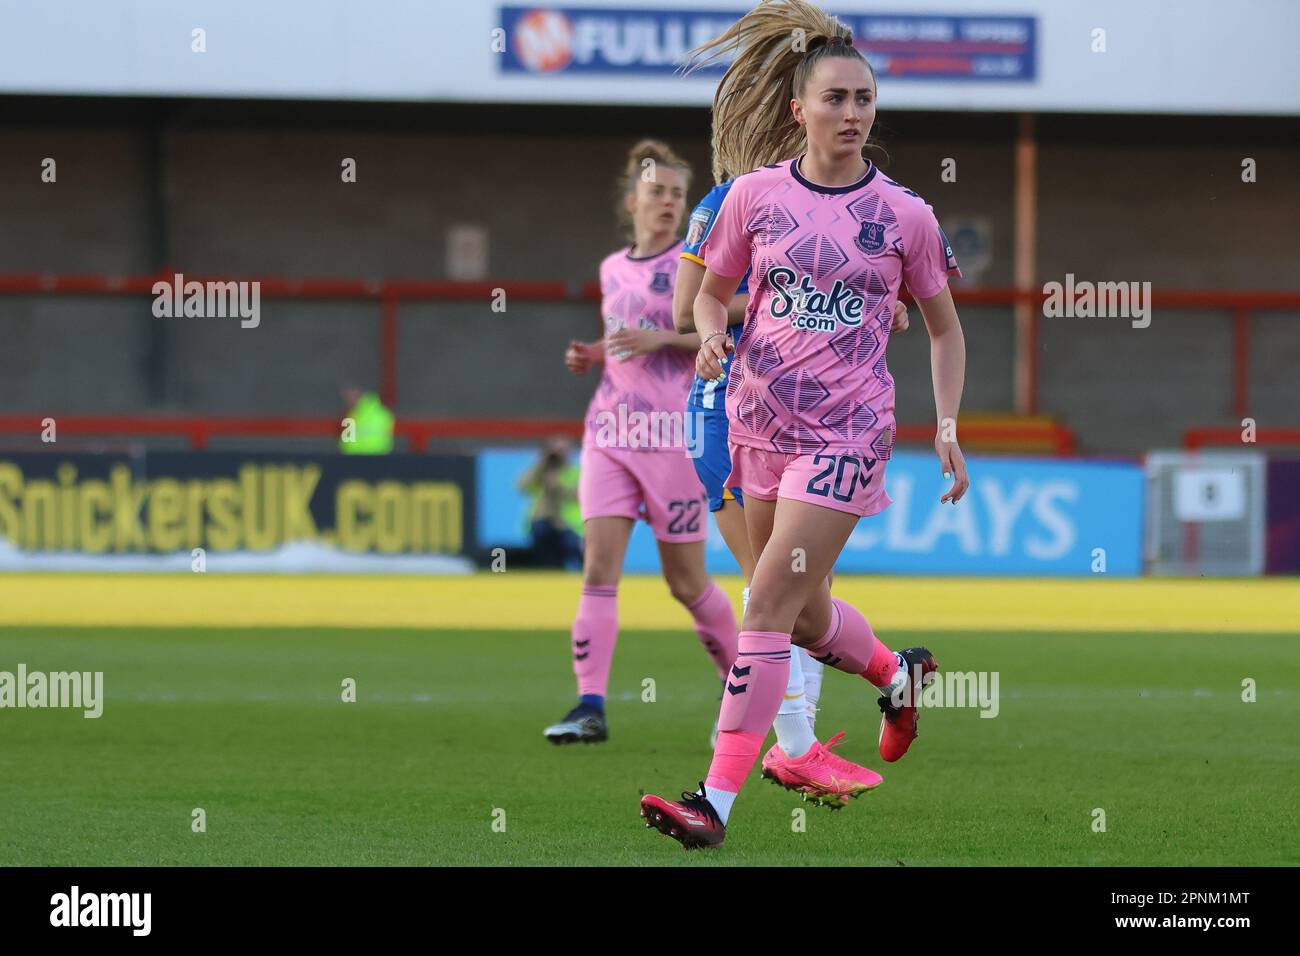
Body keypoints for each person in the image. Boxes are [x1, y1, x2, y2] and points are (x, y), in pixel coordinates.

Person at [641, 0, 969, 848]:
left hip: (847, 435)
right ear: (799, 108)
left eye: (864, 99)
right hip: (756, 428)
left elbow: (944, 326)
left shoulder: (905, 216)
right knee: (808, 616)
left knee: (766, 601)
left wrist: (946, 427)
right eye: (836, 98)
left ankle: (714, 803)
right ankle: (898, 676)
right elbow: (706, 294)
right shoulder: (751, 197)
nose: (853, 113)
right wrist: (713, 334)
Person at [674, 161, 912, 806]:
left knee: (796, 604)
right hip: (728, 412)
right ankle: (794, 747)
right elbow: (686, 304)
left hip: (815, 420)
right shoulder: (735, 198)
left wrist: (873, 302)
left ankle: (888, 681)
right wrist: (790, 296)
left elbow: (903, 301)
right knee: (772, 596)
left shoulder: (861, 206)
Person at [542, 140, 740, 745]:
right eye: (658, 191)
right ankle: (589, 706)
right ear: (632, 200)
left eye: (679, 194)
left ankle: (746, 687)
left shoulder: (697, 263)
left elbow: (734, 319)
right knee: (598, 567)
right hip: (610, 433)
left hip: (673, 441)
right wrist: (596, 353)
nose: (669, 203)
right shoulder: (611, 268)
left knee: (685, 583)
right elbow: (626, 337)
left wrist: (663, 341)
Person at [517, 436, 583, 570]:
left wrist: (558, 486)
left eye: (563, 451)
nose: (559, 455)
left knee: (574, 553)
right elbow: (522, 486)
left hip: (569, 524)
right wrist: (542, 462)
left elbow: (581, 495)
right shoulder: (541, 471)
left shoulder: (576, 471)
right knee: (543, 557)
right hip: (542, 520)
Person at [339, 386, 394, 455]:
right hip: (378, 457)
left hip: (364, 457)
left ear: (358, 394)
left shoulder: (353, 414)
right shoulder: (384, 413)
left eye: (349, 396)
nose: (347, 400)